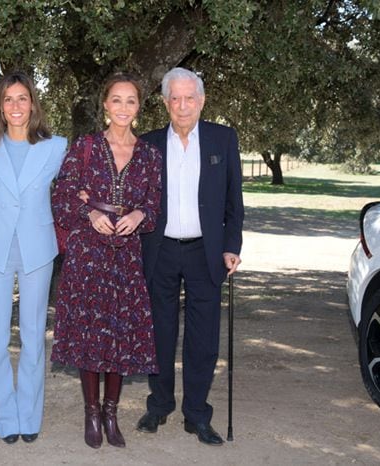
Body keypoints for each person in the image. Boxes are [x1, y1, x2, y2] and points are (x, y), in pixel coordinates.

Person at [51, 72, 162, 449]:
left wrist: (138, 216)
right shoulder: (84, 146)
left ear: (138, 108)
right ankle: (92, 412)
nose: (123, 107)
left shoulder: (149, 155)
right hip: (88, 254)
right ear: (105, 104)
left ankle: (112, 413)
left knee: (119, 334)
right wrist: (90, 215)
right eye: (117, 99)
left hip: (126, 256)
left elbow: (154, 205)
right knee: (89, 334)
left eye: (131, 100)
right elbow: (63, 196)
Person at [135, 67, 244, 446]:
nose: (183, 106)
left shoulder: (223, 139)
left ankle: (196, 414)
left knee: (203, 338)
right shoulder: (147, 143)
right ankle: (159, 404)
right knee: (159, 334)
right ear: (165, 103)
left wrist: (232, 246)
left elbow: (235, 201)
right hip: (160, 250)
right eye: (175, 99)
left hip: (206, 252)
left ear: (202, 101)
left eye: (190, 98)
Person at [0, 72, 67, 445]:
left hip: (37, 249)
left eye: (22, 98)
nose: (15, 106)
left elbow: (73, 191)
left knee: (32, 337)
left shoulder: (57, 146)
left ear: (33, 103)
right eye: (8, 99)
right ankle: (4, 418)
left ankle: (29, 416)